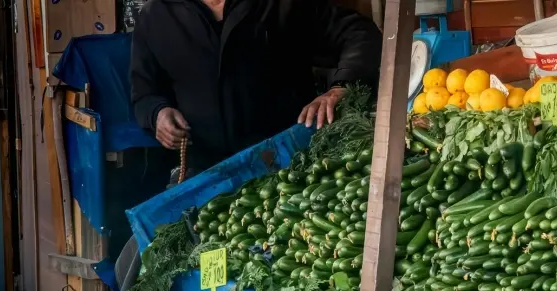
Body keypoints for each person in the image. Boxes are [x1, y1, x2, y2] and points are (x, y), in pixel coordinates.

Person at [129, 0, 382, 177]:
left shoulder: (281, 4)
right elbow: (144, 93)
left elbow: (359, 32)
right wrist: (158, 114)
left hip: (290, 166)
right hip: (208, 176)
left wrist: (341, 87)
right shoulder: (156, 16)